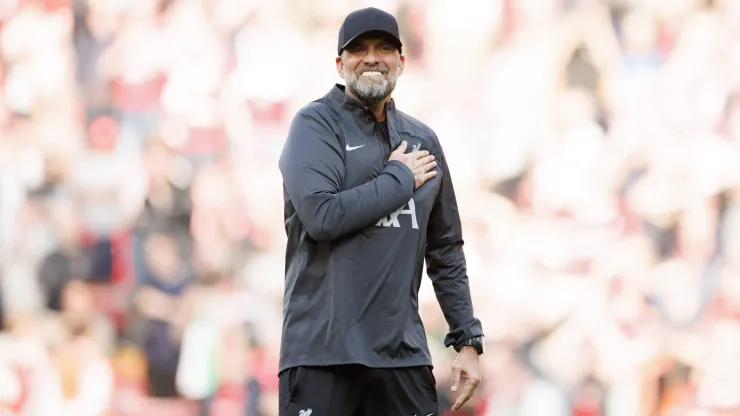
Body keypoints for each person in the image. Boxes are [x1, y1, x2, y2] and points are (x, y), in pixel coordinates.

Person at [278, 7, 485, 415]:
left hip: (403, 358)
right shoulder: (315, 126)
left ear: (402, 62)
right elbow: (321, 216)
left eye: (384, 48)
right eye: (359, 49)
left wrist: (467, 339)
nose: (372, 57)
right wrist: (398, 180)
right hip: (323, 356)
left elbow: (445, 248)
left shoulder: (422, 140)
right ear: (340, 63)